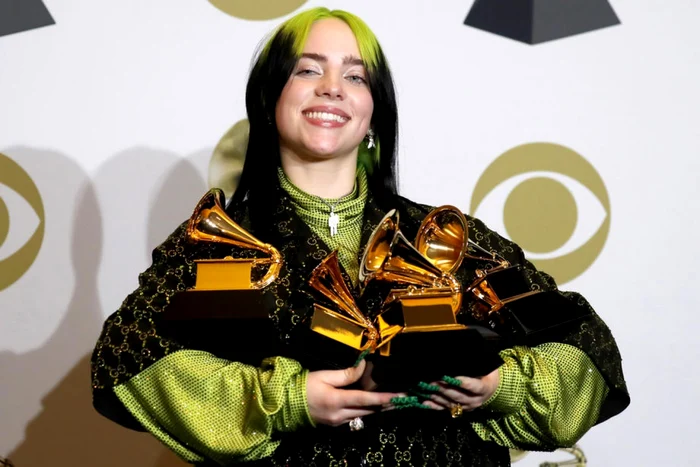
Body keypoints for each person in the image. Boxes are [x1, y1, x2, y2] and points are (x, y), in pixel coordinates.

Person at [90, 7, 629, 466]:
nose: (331, 87)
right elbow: (130, 358)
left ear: (374, 113)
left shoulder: (449, 238)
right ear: (269, 100)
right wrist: (289, 399)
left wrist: (496, 387)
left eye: (355, 76)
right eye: (307, 70)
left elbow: (583, 347)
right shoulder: (219, 243)